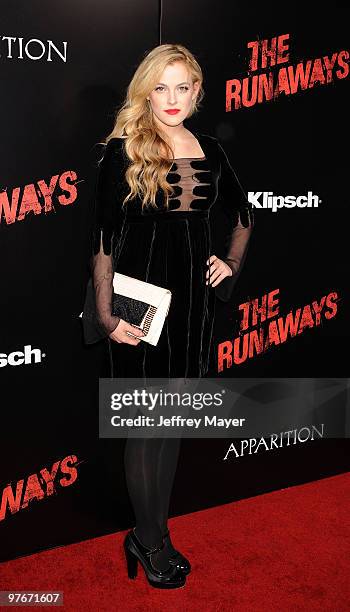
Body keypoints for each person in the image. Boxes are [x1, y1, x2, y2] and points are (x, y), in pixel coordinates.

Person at [81, 43, 254, 589]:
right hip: (141, 304)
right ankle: (149, 539)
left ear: (198, 92)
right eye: (161, 87)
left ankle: (155, 531)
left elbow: (243, 215)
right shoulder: (124, 149)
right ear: (146, 90)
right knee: (145, 427)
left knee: (171, 423)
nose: (172, 98)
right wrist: (107, 315)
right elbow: (104, 240)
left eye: (183, 87)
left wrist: (229, 263)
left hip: (194, 306)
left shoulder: (208, 149)